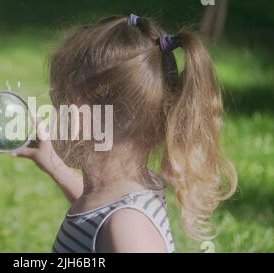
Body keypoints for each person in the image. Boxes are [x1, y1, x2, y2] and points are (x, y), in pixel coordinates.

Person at [12, 13, 237, 253]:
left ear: (78, 118)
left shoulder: (127, 228)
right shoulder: (124, 192)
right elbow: (96, 215)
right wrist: (52, 163)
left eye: (58, 105)